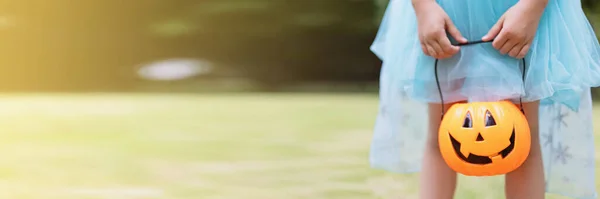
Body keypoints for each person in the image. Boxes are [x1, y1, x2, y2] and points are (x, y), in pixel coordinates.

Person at [370, 0, 600, 198]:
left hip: (518, 9)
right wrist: (423, 7)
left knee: (522, 136)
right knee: (442, 135)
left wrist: (532, 7)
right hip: (445, 10)